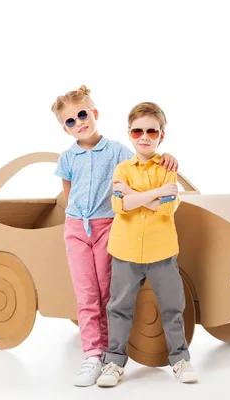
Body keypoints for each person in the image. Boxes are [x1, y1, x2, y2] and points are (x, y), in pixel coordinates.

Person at [51, 86, 179, 387]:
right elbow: (68, 197)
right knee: (86, 294)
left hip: (108, 226)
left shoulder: (119, 152)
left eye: (82, 114)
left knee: (109, 292)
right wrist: (74, 222)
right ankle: (92, 354)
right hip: (76, 229)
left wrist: (168, 156)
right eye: (70, 121)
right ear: (64, 128)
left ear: (94, 113)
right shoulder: (67, 158)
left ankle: (110, 354)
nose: (79, 123)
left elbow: (147, 158)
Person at [97, 102, 198, 387]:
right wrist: (153, 194)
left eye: (151, 131)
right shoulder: (122, 168)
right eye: (137, 131)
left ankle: (180, 359)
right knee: (119, 307)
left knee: (171, 306)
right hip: (125, 251)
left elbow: (166, 209)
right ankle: (113, 362)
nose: (144, 136)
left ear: (161, 135)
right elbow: (119, 205)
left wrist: (134, 195)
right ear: (129, 133)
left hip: (161, 251)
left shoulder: (168, 167)